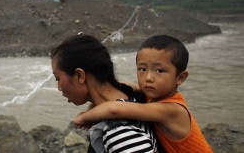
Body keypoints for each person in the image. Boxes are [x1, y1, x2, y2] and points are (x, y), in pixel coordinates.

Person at [74, 35, 213, 153]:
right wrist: (91, 106)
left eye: (159, 71)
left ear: (180, 77)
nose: (148, 78)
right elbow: (123, 86)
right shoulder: (154, 95)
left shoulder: (173, 109)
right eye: (142, 69)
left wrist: (84, 117)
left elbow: (115, 109)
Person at [51, 33, 159, 153]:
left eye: (58, 78)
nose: (59, 88)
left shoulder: (118, 132)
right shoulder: (133, 95)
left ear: (79, 75)